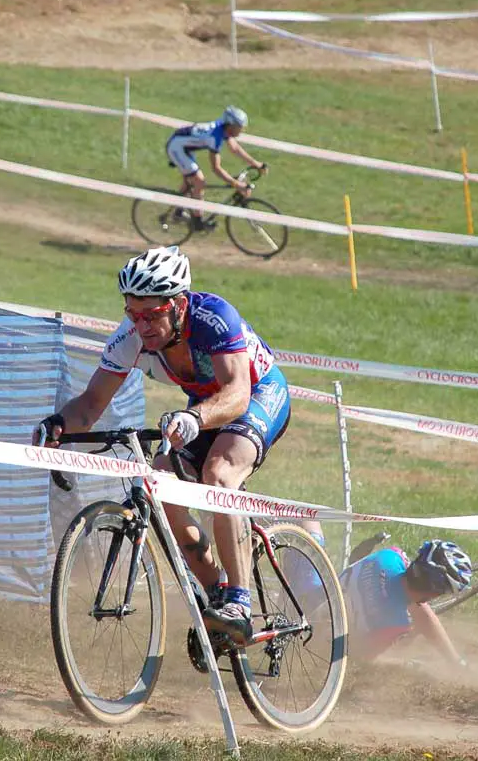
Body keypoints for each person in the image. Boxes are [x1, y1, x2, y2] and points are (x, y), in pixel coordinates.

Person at [34, 245, 290, 644]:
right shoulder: (130, 339)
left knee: (218, 475)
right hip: (206, 406)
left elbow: (237, 395)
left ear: (179, 305)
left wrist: (194, 418)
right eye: (132, 314)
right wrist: (58, 425)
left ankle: (239, 603)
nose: (142, 326)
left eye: (152, 315)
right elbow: (91, 404)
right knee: (161, 484)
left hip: (257, 395)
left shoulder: (213, 318)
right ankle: (217, 596)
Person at [339, 539, 472, 665]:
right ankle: (454, 660)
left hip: (325, 595)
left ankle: (454, 659)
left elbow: (422, 612)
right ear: (434, 593)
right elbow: (360, 658)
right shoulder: (396, 624)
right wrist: (404, 663)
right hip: (334, 636)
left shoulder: (390, 555)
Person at [165, 106, 267, 232]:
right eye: (239, 127)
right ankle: (197, 222)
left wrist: (256, 163)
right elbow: (216, 168)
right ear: (231, 126)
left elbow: (235, 149)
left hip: (184, 147)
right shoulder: (215, 138)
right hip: (176, 147)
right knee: (199, 181)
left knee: (189, 181)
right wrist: (236, 184)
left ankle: (178, 212)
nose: (242, 130)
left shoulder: (223, 128)